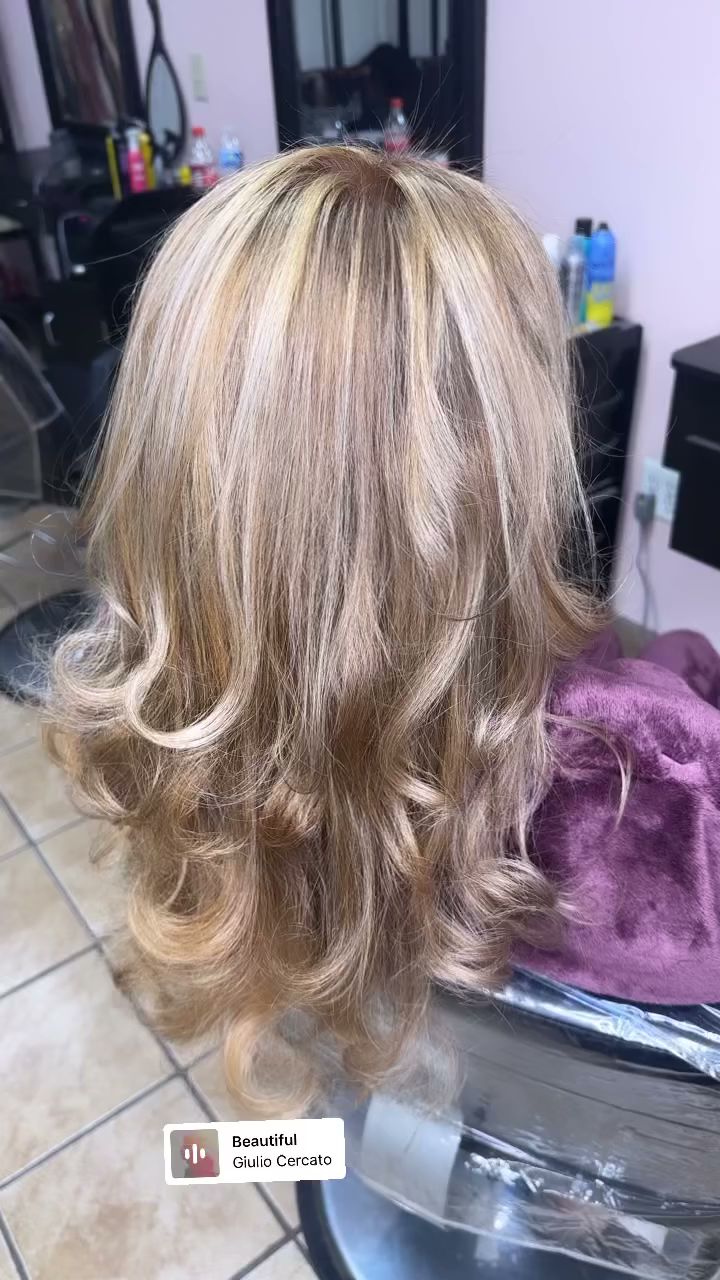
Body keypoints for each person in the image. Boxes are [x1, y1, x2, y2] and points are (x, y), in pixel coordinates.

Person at [46, 146, 720, 1113]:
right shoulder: (661, 797)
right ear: (507, 449)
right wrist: (682, 669)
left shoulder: (175, 740)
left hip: (376, 1107)